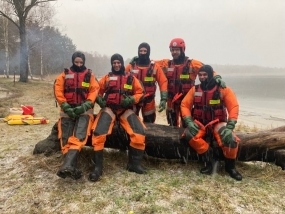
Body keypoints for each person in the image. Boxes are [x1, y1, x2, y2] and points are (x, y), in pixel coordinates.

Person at [89, 53, 146, 182]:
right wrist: (99, 100)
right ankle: (97, 167)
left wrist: (131, 99)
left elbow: (140, 93)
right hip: (109, 109)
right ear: (112, 64)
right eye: (114, 62)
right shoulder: (107, 78)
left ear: (122, 64)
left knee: (139, 132)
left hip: (125, 110)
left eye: (118, 62)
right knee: (98, 132)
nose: (116, 65)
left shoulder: (131, 78)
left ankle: (134, 164)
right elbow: (96, 90)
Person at [180, 65, 242, 181]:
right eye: (200, 75)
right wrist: (188, 121)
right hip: (200, 123)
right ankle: (210, 160)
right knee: (188, 135)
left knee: (231, 140)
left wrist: (230, 126)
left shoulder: (223, 89)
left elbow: (233, 107)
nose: (202, 77)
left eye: (205, 75)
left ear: (210, 75)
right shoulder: (195, 89)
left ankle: (230, 167)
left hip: (218, 123)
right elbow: (185, 105)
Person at [155, 38, 226, 127]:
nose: (174, 52)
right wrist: (137, 60)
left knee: (186, 123)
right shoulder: (166, 64)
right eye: (172, 50)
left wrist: (217, 77)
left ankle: (185, 138)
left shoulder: (192, 64)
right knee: (172, 123)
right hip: (171, 100)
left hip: (187, 99)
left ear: (182, 49)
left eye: (176, 50)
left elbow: (208, 70)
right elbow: (151, 63)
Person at [54, 51, 100, 180]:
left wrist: (85, 105)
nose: (79, 64)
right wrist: (65, 106)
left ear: (84, 62)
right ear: (73, 61)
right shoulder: (64, 75)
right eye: (76, 62)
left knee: (79, 136)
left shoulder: (90, 76)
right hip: (67, 111)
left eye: (81, 62)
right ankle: (70, 166)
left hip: (84, 111)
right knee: (65, 137)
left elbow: (94, 91)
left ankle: (67, 165)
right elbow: (58, 91)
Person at [125, 42, 168, 123]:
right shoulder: (131, 66)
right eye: (141, 51)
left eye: (145, 51)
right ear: (138, 52)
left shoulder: (155, 66)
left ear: (148, 52)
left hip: (149, 100)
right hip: (133, 99)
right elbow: (122, 79)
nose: (143, 53)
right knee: (131, 122)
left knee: (149, 122)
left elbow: (163, 82)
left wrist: (163, 98)